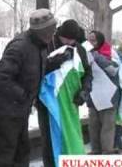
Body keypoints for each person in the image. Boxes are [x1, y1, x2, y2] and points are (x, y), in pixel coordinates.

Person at [0, 8, 57, 167]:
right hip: (5, 113)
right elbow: (0, 76)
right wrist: (23, 94)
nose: (53, 34)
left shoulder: (41, 45)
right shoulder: (19, 47)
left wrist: (55, 63)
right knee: (4, 157)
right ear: (42, 31)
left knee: (22, 153)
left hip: (21, 110)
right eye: (51, 30)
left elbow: (34, 69)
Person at [36, 20, 92, 167]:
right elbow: (36, 71)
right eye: (66, 39)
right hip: (48, 103)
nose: (69, 42)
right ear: (59, 35)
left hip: (71, 102)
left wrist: (85, 91)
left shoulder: (79, 49)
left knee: (72, 135)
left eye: (72, 40)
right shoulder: (46, 45)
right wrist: (56, 61)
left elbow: (87, 73)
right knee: (51, 140)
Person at [87, 30, 119, 154]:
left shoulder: (110, 52)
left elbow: (113, 70)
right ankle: (95, 151)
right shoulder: (86, 53)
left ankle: (107, 153)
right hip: (93, 98)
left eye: (93, 40)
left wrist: (96, 57)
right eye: (89, 40)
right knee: (93, 127)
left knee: (107, 128)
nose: (91, 43)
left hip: (108, 98)